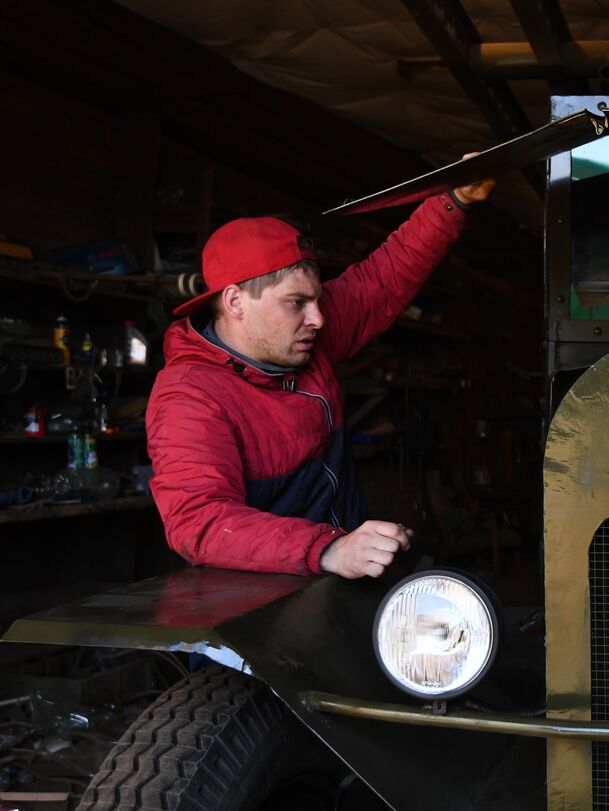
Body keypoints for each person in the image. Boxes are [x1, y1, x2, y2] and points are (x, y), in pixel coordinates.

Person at [146, 173, 494, 580]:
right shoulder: (189, 397)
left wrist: (454, 199)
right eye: (296, 302)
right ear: (236, 301)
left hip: (335, 583)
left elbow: (383, 277)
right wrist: (329, 548)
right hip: (253, 605)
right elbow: (199, 522)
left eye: (317, 298)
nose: (318, 318)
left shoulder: (303, 338)